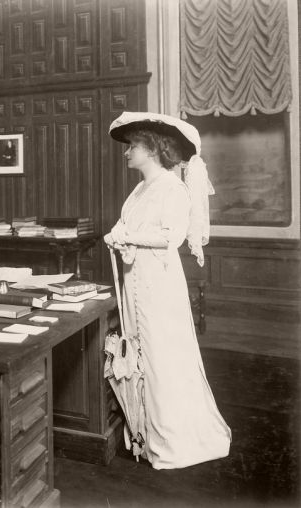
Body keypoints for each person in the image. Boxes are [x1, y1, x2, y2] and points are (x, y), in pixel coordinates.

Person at [104, 111, 230, 469]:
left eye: (133, 146)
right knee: (140, 353)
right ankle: (146, 436)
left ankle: (171, 440)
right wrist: (119, 236)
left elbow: (171, 237)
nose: (127, 152)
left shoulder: (173, 188)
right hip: (135, 279)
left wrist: (127, 236)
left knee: (162, 356)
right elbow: (129, 225)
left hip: (158, 284)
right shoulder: (140, 189)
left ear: (153, 149)